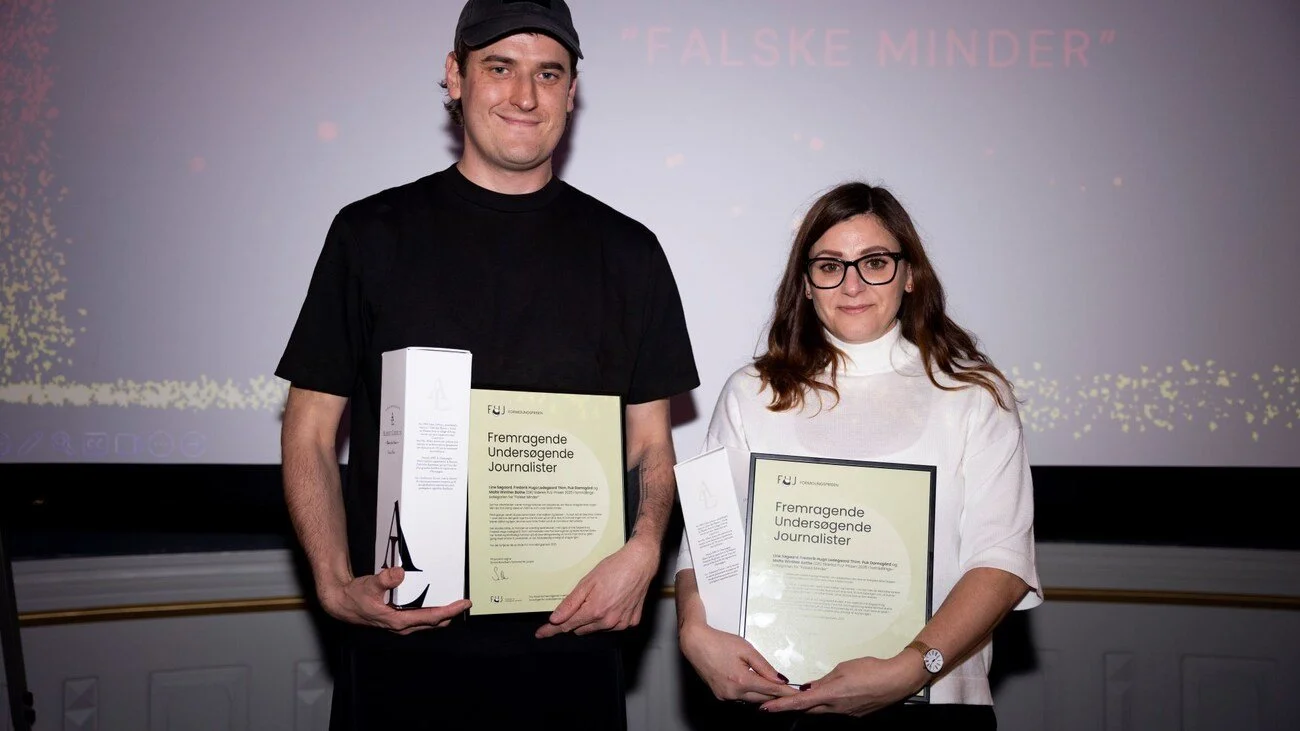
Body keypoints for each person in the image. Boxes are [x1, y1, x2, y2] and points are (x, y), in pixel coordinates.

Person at [274, 1, 699, 728]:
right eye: (500, 67)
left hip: (572, 650)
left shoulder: (629, 252)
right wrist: (332, 580)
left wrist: (644, 549)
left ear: (572, 91)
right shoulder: (369, 234)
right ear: (455, 76)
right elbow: (310, 431)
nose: (525, 95)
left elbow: (652, 444)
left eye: (548, 74)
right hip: (403, 651)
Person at [674, 181, 1042, 729]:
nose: (852, 284)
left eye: (874, 262)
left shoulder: (972, 395)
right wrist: (693, 629)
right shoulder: (753, 392)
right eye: (830, 266)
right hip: (778, 700)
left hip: (934, 704)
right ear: (806, 283)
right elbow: (707, 546)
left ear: (909, 274)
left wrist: (914, 667)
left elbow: (1003, 563)